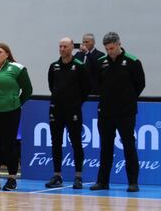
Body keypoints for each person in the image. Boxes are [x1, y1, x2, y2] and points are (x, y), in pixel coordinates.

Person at [91, 32, 145, 192]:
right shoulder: (101, 62)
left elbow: (140, 84)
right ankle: (102, 181)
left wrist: (127, 100)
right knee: (106, 147)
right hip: (105, 113)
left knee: (129, 146)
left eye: (112, 48)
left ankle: (133, 182)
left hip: (125, 113)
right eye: (107, 49)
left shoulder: (132, 61)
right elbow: (98, 85)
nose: (109, 52)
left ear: (119, 44)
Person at [0, 43, 33, 191]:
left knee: (8, 145)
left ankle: (11, 179)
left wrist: (15, 103)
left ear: (7, 54)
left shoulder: (17, 68)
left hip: (10, 112)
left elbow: (28, 90)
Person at [45, 37, 89, 189]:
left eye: (65, 46)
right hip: (56, 110)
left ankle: (78, 176)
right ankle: (57, 174)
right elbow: (52, 86)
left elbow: (86, 89)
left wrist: (75, 102)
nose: (62, 49)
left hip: (73, 110)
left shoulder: (79, 66)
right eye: (60, 46)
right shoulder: (54, 66)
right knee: (55, 142)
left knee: (76, 142)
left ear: (72, 48)